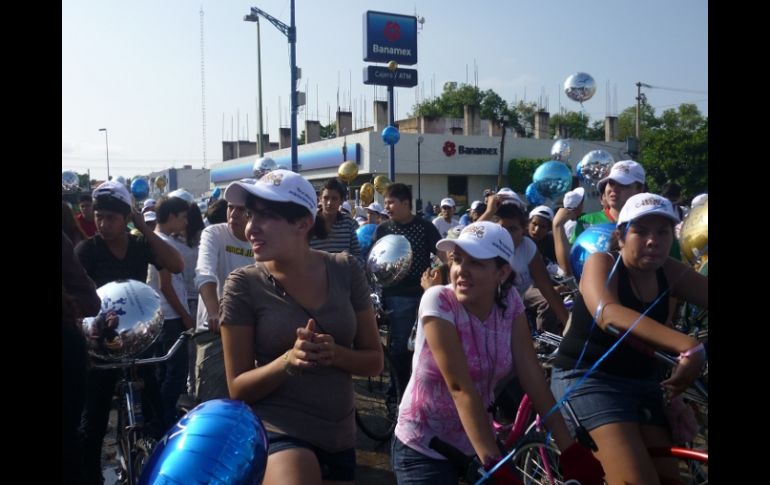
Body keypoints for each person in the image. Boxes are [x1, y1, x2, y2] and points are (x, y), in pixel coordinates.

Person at [392, 222, 603, 485]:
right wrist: (492, 463)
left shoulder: (511, 302)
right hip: (425, 442)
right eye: (457, 260)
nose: (461, 271)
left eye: (477, 263)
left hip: (477, 436)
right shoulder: (438, 301)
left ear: (502, 273)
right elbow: (460, 387)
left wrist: (570, 449)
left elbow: (532, 375)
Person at [219, 170, 383, 485]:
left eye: (266, 216)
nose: (251, 227)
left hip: (341, 438)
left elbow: (374, 360)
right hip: (279, 433)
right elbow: (237, 387)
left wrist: (333, 354)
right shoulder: (243, 285)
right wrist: (288, 361)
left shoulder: (345, 269)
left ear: (303, 223)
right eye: (251, 215)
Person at [550, 193, 708, 485]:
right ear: (620, 236)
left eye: (662, 232)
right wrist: (688, 346)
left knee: (671, 479)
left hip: (643, 382)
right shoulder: (601, 262)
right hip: (589, 380)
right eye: (641, 231)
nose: (653, 240)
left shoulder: (669, 271)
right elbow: (607, 312)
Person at [74, 181, 184, 485]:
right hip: (99, 344)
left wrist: (144, 228)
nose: (103, 223)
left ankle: (159, 471)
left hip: (137, 340)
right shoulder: (87, 250)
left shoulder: (139, 246)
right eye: (99, 216)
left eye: (112, 217)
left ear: (126, 219)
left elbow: (175, 264)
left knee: (155, 412)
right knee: (92, 424)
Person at [375, 183, 443, 397]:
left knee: (424, 345)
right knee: (400, 347)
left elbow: (443, 256)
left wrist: (437, 274)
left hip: (423, 295)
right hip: (395, 295)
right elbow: (375, 260)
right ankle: (398, 393)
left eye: (391, 202)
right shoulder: (383, 229)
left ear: (406, 203)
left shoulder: (425, 227)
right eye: (385, 203)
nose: (387, 207)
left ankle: (417, 390)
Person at [193, 185, 255, 402]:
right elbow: (204, 273)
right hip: (215, 330)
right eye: (231, 208)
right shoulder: (214, 233)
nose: (234, 214)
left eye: (242, 210)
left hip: (253, 330)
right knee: (212, 401)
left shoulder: (264, 238)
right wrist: (214, 312)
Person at [479, 190, 570, 334]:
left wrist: (569, 326)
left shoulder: (527, 247)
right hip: (480, 318)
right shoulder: (485, 245)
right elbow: (467, 238)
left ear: (523, 229)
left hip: (511, 317)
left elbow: (547, 289)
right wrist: (489, 211)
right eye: (501, 229)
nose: (507, 235)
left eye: (513, 229)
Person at [146, 196, 193, 430]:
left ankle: (160, 415)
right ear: (172, 216)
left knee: (164, 371)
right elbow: (166, 285)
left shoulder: (158, 240)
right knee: (176, 371)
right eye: (183, 217)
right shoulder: (164, 245)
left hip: (161, 315)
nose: (185, 223)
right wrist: (185, 315)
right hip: (170, 316)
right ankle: (162, 419)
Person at [309, 178, 362, 263]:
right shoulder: (309, 221)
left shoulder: (347, 222)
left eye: (334, 199)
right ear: (320, 199)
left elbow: (358, 255)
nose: (329, 203)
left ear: (341, 201)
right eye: (326, 198)